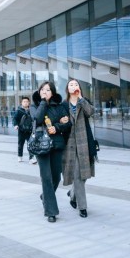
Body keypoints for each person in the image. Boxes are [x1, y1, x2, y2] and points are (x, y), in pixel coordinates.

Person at [31, 81, 71, 223]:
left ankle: (45, 196)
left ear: (52, 92)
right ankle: (51, 211)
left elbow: (68, 123)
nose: (45, 92)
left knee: (56, 177)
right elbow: (37, 118)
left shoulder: (59, 106)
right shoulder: (34, 106)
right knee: (46, 177)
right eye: (43, 89)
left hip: (56, 144)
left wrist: (57, 127)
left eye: (48, 90)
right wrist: (43, 102)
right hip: (41, 146)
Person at [63, 79, 96, 218]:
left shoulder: (84, 102)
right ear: (67, 89)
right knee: (77, 174)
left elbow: (90, 112)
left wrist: (81, 98)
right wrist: (61, 121)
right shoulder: (64, 105)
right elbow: (59, 121)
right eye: (71, 84)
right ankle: (83, 207)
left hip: (84, 143)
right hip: (70, 144)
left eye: (76, 84)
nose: (74, 86)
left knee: (84, 175)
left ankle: (73, 193)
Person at [13, 96, 36, 164]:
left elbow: (34, 119)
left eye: (27, 102)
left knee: (30, 144)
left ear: (29, 102)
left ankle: (31, 158)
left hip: (29, 131)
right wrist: (15, 125)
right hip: (21, 131)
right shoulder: (19, 111)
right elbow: (15, 119)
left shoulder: (31, 110)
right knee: (20, 144)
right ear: (21, 103)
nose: (25, 103)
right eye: (24, 102)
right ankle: (20, 156)